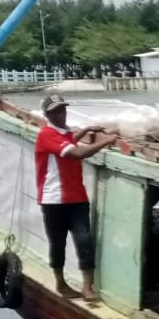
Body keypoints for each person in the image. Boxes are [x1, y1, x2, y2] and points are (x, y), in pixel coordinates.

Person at [36, 93, 117, 303]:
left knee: (84, 240)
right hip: (54, 199)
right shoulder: (46, 135)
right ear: (47, 114)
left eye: (62, 109)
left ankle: (87, 286)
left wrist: (87, 130)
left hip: (77, 197)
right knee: (57, 243)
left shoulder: (63, 133)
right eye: (55, 111)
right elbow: (78, 153)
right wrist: (106, 141)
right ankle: (61, 283)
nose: (61, 114)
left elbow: (70, 139)